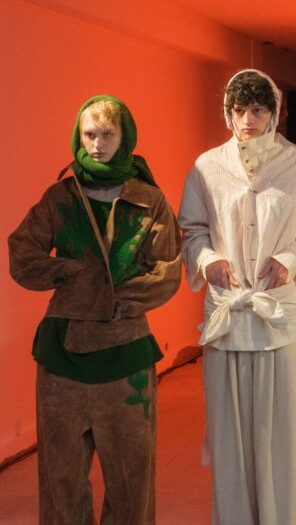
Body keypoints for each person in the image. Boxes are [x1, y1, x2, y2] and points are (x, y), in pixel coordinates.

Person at [9, 95, 182, 523]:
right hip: (61, 356)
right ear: (78, 136)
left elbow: (168, 270)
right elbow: (22, 253)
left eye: (107, 134)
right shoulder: (60, 197)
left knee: (131, 483)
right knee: (61, 481)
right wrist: (67, 272)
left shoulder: (149, 199)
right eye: (89, 134)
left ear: (125, 137)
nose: (97, 144)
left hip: (126, 354)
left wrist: (116, 300)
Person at [179, 69, 296, 525]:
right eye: (240, 109)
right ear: (228, 112)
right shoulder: (207, 167)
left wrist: (294, 256)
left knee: (282, 438)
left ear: (275, 112)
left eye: (258, 110)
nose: (248, 119)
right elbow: (191, 228)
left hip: (277, 317)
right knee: (230, 442)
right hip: (227, 320)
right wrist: (207, 259)